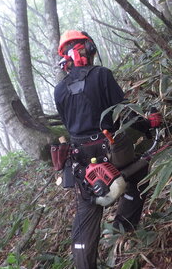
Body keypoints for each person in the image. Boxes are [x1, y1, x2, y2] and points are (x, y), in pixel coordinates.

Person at [54, 30, 162, 269]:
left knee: (86, 210)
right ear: (88, 50)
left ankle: (85, 263)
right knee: (140, 173)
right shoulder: (102, 75)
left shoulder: (59, 90)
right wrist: (149, 124)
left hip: (81, 160)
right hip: (110, 150)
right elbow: (123, 113)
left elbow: (71, 126)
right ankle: (124, 226)